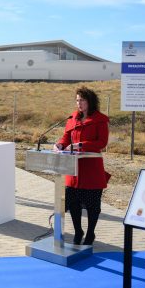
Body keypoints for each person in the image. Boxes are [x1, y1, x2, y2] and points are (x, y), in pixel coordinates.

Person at [55, 86, 110, 245]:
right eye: (77, 100)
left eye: (82, 100)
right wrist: (59, 145)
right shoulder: (72, 118)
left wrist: (81, 145)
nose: (79, 103)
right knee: (73, 203)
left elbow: (102, 143)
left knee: (93, 205)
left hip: (91, 168)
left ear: (90, 101)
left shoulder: (100, 119)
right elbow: (66, 137)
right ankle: (78, 231)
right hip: (73, 168)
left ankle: (90, 233)